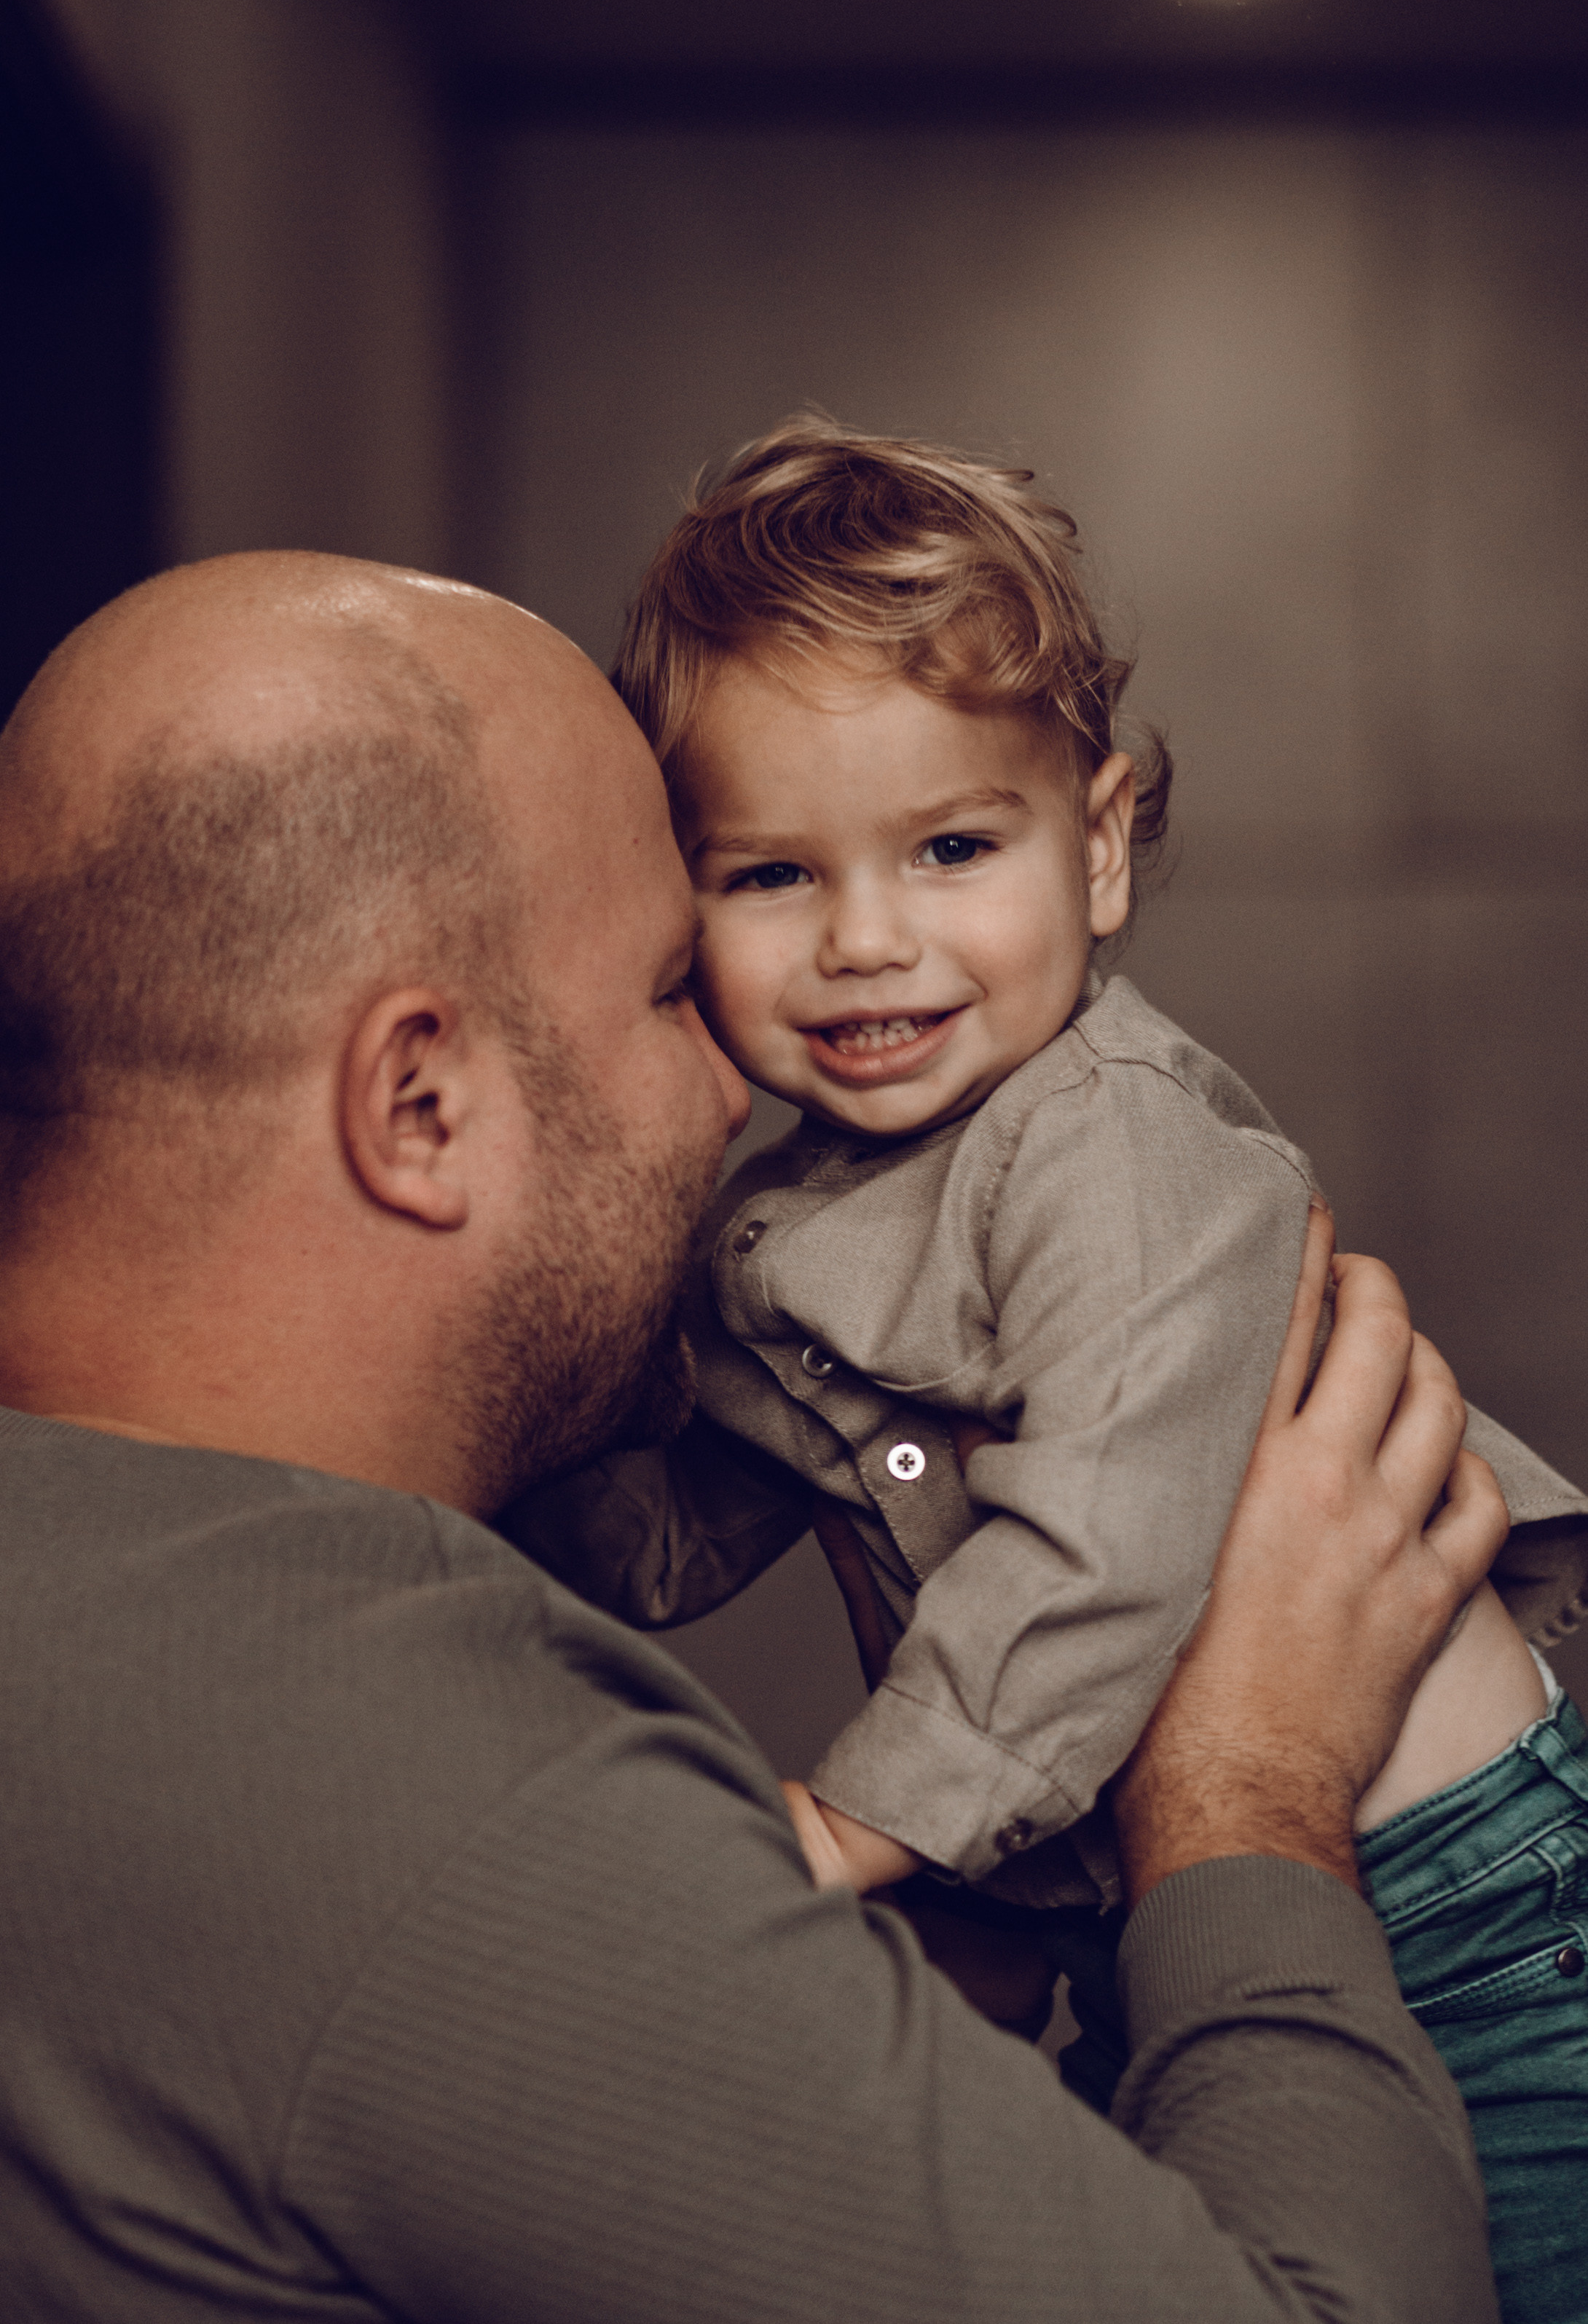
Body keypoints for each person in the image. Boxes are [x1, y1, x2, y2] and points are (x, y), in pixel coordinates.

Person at [0, 550, 1507, 2323]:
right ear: (418, 1102)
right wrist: (1243, 1778)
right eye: (672, 984)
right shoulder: (440, 1810)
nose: (734, 1089)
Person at [516, 421, 1588, 2324]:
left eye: (951, 848)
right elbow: (682, 1521)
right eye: (770, 873)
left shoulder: (1113, 1150)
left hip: (1473, 1911)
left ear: (1093, 849)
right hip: (1195, 1903)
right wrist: (473, 1480)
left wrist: (847, 1827)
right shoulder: (795, 1221)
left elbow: (1100, 1546)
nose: (865, 941)